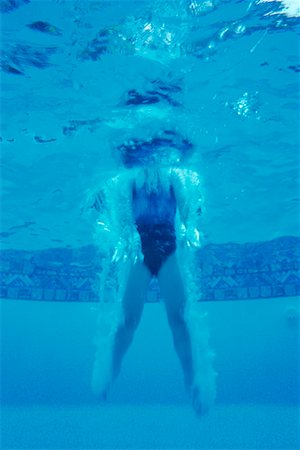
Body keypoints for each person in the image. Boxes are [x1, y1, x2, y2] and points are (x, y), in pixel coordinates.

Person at [85, 132, 217, 415]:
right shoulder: (129, 181)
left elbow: (190, 212)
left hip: (168, 254)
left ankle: (192, 379)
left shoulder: (175, 179)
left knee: (179, 320)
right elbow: (121, 219)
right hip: (140, 256)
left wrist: (193, 225)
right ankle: (111, 372)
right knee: (128, 320)